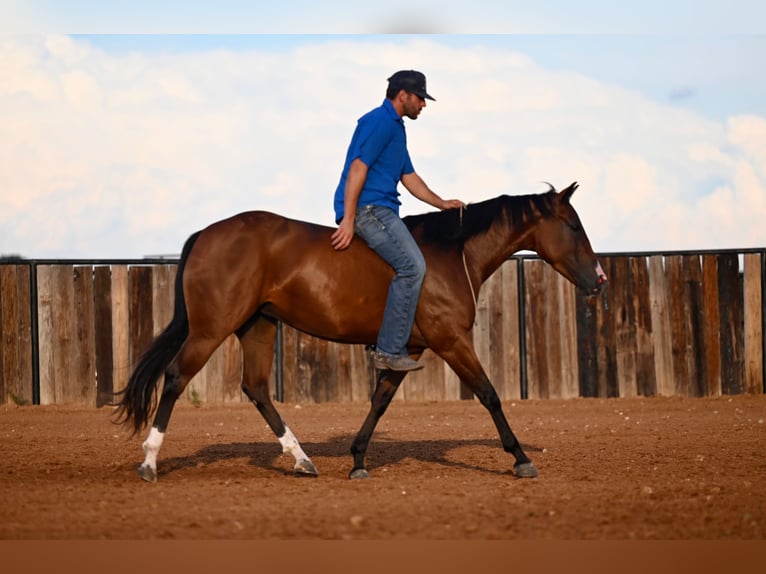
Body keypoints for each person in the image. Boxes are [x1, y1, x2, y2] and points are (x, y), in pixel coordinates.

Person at [331, 70, 464, 372]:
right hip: (370, 210)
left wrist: (441, 202)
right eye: (421, 98)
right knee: (412, 266)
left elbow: (408, 176)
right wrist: (349, 219)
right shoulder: (379, 122)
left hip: (382, 209)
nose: (424, 105)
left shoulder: (396, 128)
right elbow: (357, 169)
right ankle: (389, 351)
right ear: (402, 95)